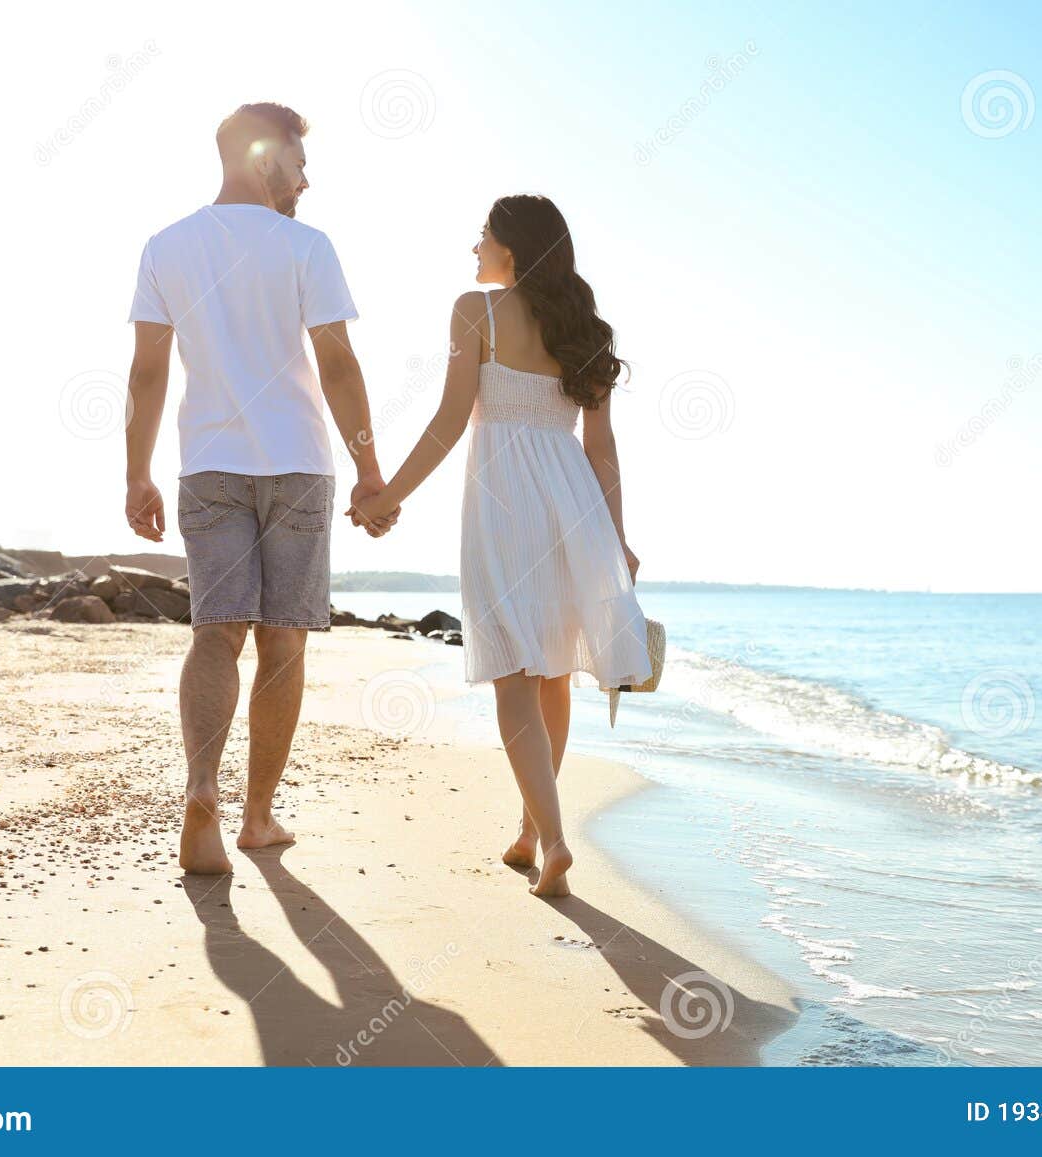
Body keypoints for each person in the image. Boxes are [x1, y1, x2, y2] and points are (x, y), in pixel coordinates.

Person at [122, 102, 397, 875]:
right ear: (264, 157)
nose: (307, 181)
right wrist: (371, 467)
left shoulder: (166, 246)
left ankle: (202, 787)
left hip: (208, 464)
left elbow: (147, 372)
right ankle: (258, 815)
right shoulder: (306, 247)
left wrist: (136, 472)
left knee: (217, 633)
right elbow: (338, 365)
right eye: (299, 164)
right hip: (298, 463)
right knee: (284, 641)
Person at [350, 194, 649, 897]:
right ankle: (530, 827)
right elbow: (602, 449)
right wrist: (619, 538)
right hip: (572, 500)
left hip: (502, 501)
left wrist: (387, 495)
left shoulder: (474, 311)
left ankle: (551, 839)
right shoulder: (586, 331)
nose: (473, 248)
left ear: (509, 249)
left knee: (513, 673)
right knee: (550, 673)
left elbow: (451, 420)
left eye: (481, 236)